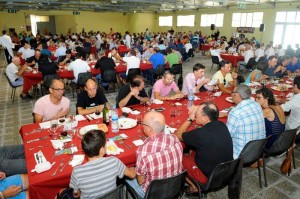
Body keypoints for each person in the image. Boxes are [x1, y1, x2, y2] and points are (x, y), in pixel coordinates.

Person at [175, 102, 233, 194]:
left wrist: (189, 118)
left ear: (205, 118)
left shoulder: (200, 134)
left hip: (209, 177)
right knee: (192, 148)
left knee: (176, 158)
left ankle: (194, 187)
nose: (195, 116)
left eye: (196, 114)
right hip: (226, 170)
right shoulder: (222, 125)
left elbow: (177, 135)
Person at [126, 111, 183, 198]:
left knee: (125, 178)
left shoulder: (143, 151)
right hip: (174, 187)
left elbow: (140, 181)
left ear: (149, 129)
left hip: (153, 194)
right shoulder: (175, 139)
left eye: (143, 124)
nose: (142, 126)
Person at [68, 129, 136, 198]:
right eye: (105, 145)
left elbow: (76, 195)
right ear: (102, 150)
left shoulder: (77, 172)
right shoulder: (113, 162)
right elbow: (132, 175)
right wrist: (134, 168)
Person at [226, 85, 265, 158]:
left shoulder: (235, 112)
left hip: (241, 155)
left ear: (237, 95)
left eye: (233, 93)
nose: (231, 95)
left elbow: (227, 137)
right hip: (258, 150)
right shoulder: (257, 105)